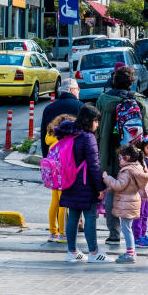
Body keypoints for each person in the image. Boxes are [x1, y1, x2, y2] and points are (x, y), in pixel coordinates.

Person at [96, 65, 148, 246]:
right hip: (133, 155)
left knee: (112, 190)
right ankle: (134, 232)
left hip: (109, 154)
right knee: (136, 191)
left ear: (113, 80)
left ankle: (114, 233)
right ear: (132, 82)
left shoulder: (104, 100)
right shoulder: (139, 101)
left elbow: (96, 130)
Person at [56, 105, 110, 263]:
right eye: (96, 121)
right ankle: (94, 252)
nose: (97, 124)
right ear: (90, 121)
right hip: (86, 184)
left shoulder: (70, 134)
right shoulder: (88, 138)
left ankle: (72, 251)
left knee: (72, 216)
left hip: (70, 181)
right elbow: (94, 166)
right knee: (90, 217)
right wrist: (100, 188)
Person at [102, 143, 148, 264]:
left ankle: (130, 253)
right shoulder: (136, 168)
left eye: (120, 158)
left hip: (127, 204)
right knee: (127, 227)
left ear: (127, 158)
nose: (119, 161)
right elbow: (127, 186)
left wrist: (107, 178)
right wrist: (110, 189)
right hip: (132, 201)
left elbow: (120, 185)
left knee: (126, 228)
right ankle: (131, 252)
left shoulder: (126, 171)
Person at [44, 113, 76, 242]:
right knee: (63, 204)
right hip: (63, 175)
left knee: (54, 203)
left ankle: (53, 233)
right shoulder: (65, 140)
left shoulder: (51, 138)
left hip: (52, 175)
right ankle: (63, 234)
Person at [40, 78, 84, 156]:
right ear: (72, 90)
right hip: (75, 156)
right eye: (78, 89)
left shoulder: (48, 109)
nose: (78, 92)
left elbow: (44, 135)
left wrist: (45, 156)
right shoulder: (81, 107)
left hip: (54, 155)